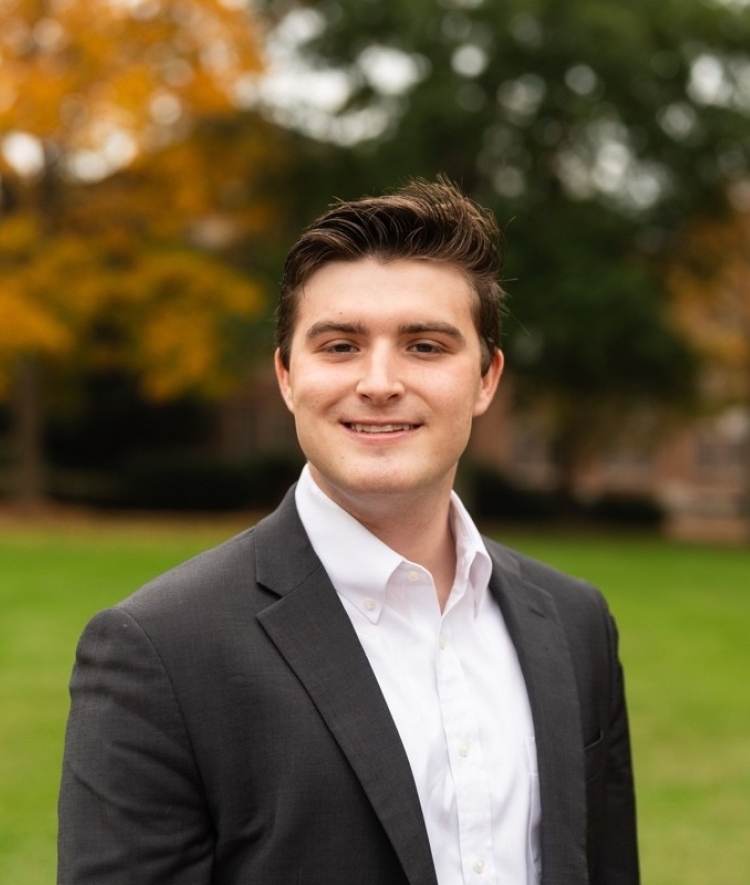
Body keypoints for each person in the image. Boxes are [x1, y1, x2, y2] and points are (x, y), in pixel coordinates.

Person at [58, 178, 639, 885]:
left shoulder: (575, 623)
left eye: (425, 346)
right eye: (340, 345)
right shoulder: (160, 652)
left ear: (486, 378)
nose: (380, 381)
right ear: (286, 376)